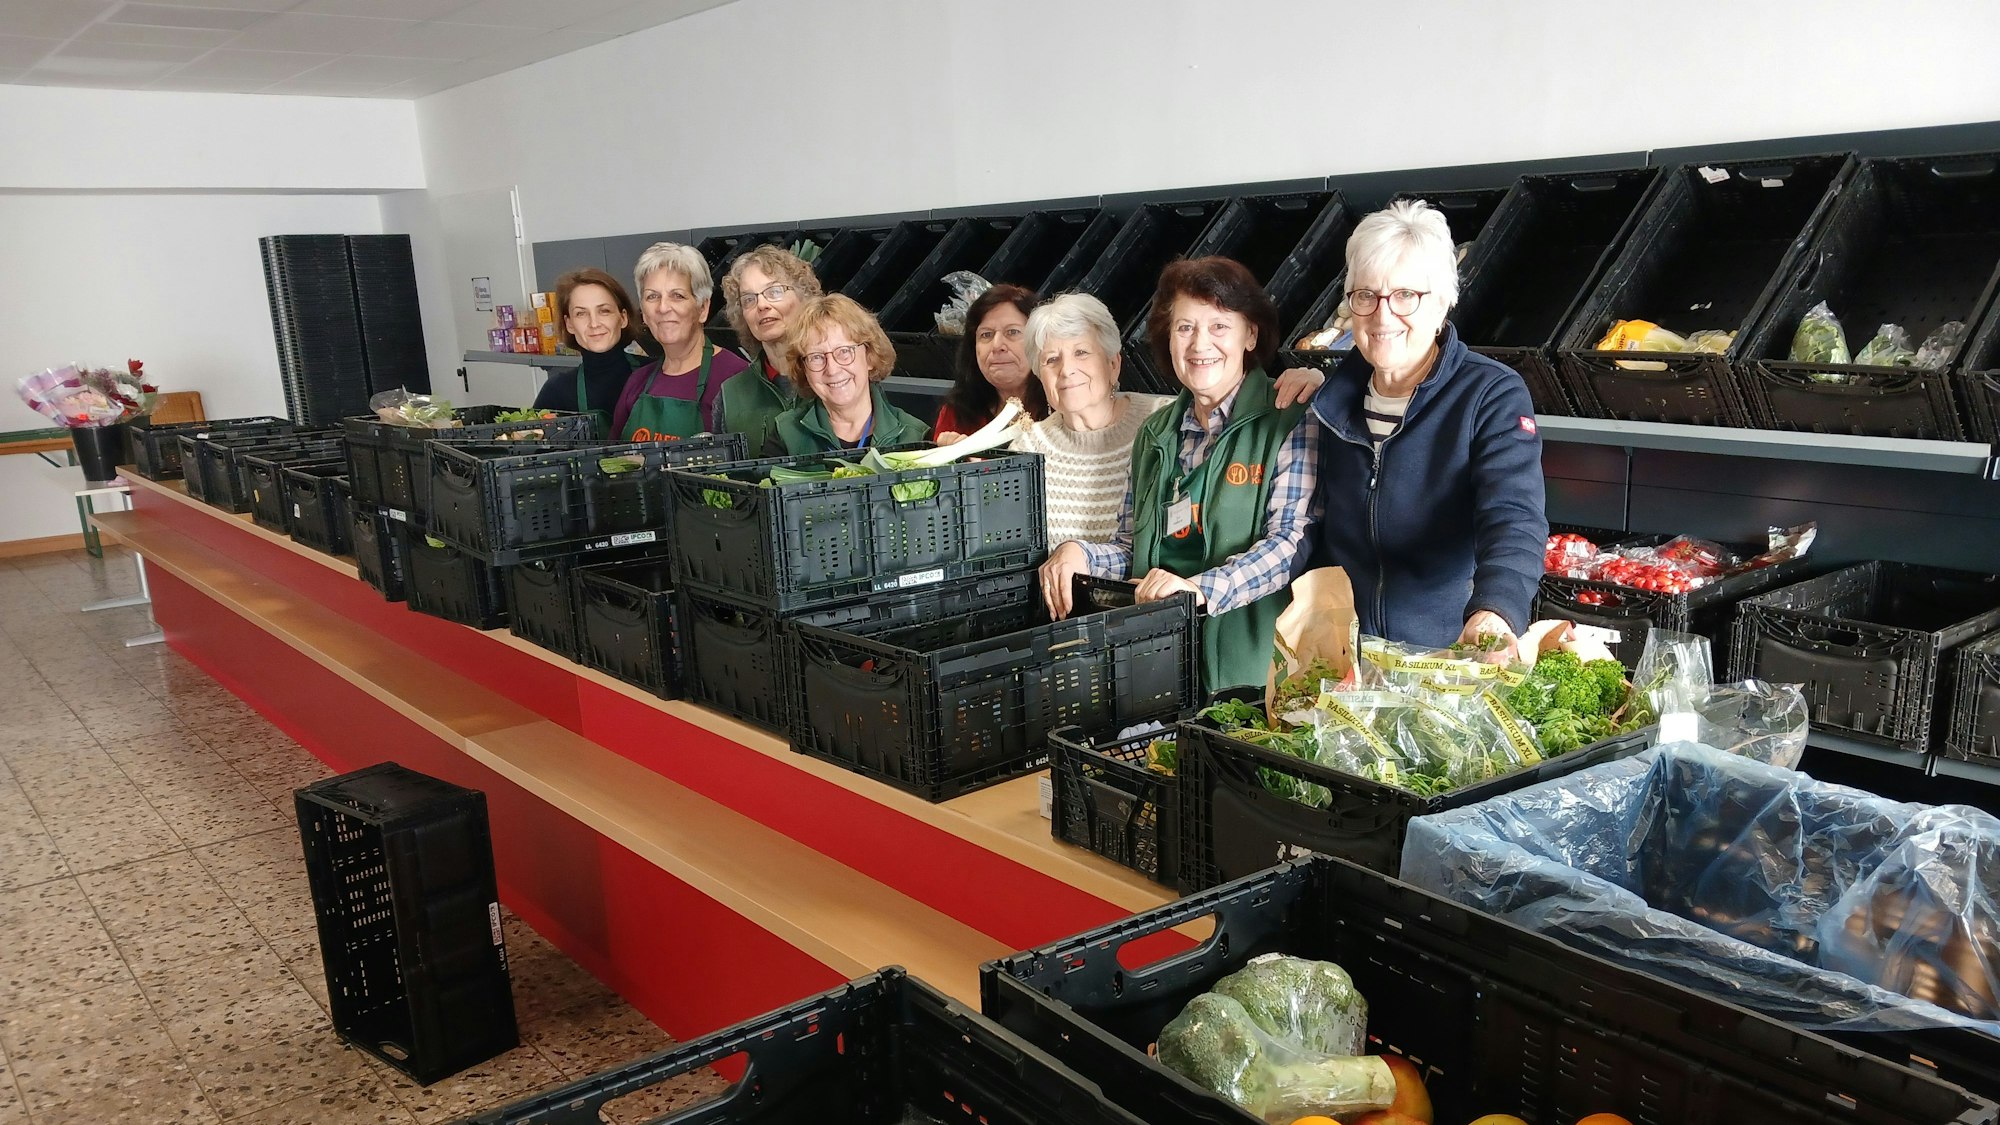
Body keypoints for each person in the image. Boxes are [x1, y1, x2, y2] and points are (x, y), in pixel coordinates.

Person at [1276, 199, 1547, 655]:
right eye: (1366, 295)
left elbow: (1514, 516)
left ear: (1443, 302)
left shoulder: (1490, 394)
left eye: (1406, 295)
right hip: (1340, 653)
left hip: (1445, 652)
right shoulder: (1331, 400)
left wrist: (1496, 609)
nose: (1383, 317)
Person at [1039, 258, 1320, 692]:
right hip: (1163, 667)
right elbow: (1133, 546)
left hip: (1257, 671)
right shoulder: (1155, 433)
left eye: (1219, 326)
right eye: (1185, 328)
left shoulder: (1290, 418)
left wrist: (1200, 590)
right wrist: (1082, 555)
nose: (1199, 343)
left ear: (1251, 334)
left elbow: (1289, 544)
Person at [1012, 293, 1170, 546]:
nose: (1066, 370)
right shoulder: (1028, 448)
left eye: (1081, 352)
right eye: (1051, 359)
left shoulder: (1165, 421)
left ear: (1113, 364)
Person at [611, 242, 749, 441]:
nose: (663, 307)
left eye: (677, 296)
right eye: (652, 296)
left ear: (702, 308)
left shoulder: (736, 380)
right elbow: (612, 462)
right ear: (644, 313)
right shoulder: (637, 383)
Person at [768, 294, 929, 455]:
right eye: (816, 357)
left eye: (844, 351)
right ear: (803, 369)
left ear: (870, 357)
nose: (832, 369)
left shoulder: (915, 436)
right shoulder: (786, 434)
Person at [716, 245, 822, 454]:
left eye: (774, 292)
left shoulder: (835, 377)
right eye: (749, 299)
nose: (762, 305)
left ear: (804, 296)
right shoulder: (730, 395)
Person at [531, 269, 647, 435]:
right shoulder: (557, 391)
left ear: (623, 318)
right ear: (569, 324)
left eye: (604, 311)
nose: (594, 323)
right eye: (581, 314)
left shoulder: (656, 375)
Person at [936, 284, 1047, 441]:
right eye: (986, 334)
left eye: (1012, 332)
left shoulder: (1063, 409)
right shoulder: (956, 413)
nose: (997, 345)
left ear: (1040, 342)